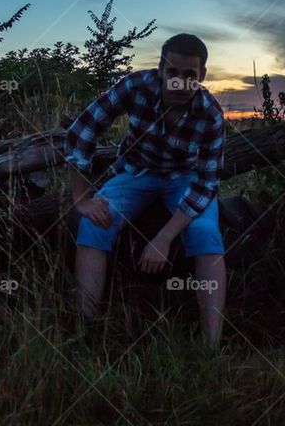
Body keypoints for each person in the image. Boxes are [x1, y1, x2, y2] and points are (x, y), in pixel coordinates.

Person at [63, 33, 227, 346]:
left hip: (185, 179)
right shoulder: (136, 86)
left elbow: (207, 182)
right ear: (160, 69)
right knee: (94, 221)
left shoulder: (211, 114)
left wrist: (164, 238)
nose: (179, 83)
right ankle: (84, 333)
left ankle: (211, 346)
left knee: (206, 234)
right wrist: (81, 197)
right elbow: (81, 131)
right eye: (172, 73)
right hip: (136, 172)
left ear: (202, 76)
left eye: (190, 75)